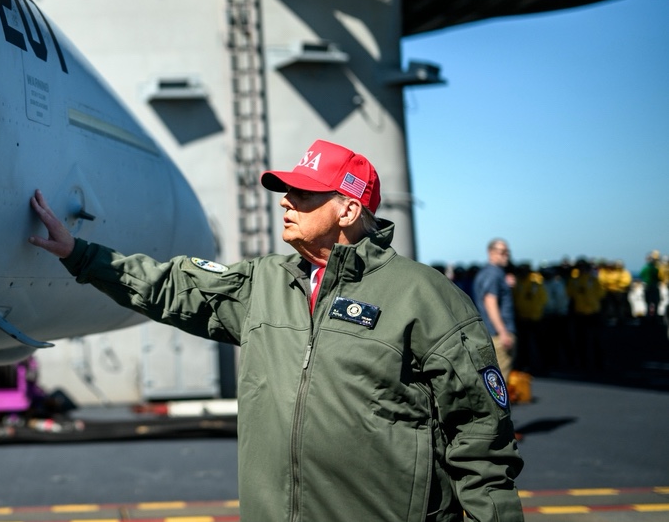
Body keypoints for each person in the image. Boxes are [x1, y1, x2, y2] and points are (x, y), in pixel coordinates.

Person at [28, 139, 524, 522]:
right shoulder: (264, 283)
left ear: (348, 210)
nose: (286, 201)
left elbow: (482, 444)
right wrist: (81, 255)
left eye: (304, 193)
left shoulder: (426, 298)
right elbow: (171, 287)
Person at [474, 239, 516, 381]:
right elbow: (490, 302)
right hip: (498, 335)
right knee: (499, 382)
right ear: (491, 252)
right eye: (502, 252)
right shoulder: (493, 274)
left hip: (490, 333)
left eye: (507, 252)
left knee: (492, 379)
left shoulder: (490, 273)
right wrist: (502, 332)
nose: (506, 256)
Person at [639, 251, 662, 326]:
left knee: (648, 303)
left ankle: (648, 317)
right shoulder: (655, 268)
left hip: (647, 287)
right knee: (655, 302)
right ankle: (654, 317)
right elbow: (659, 276)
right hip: (654, 287)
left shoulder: (645, 268)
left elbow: (641, 275)